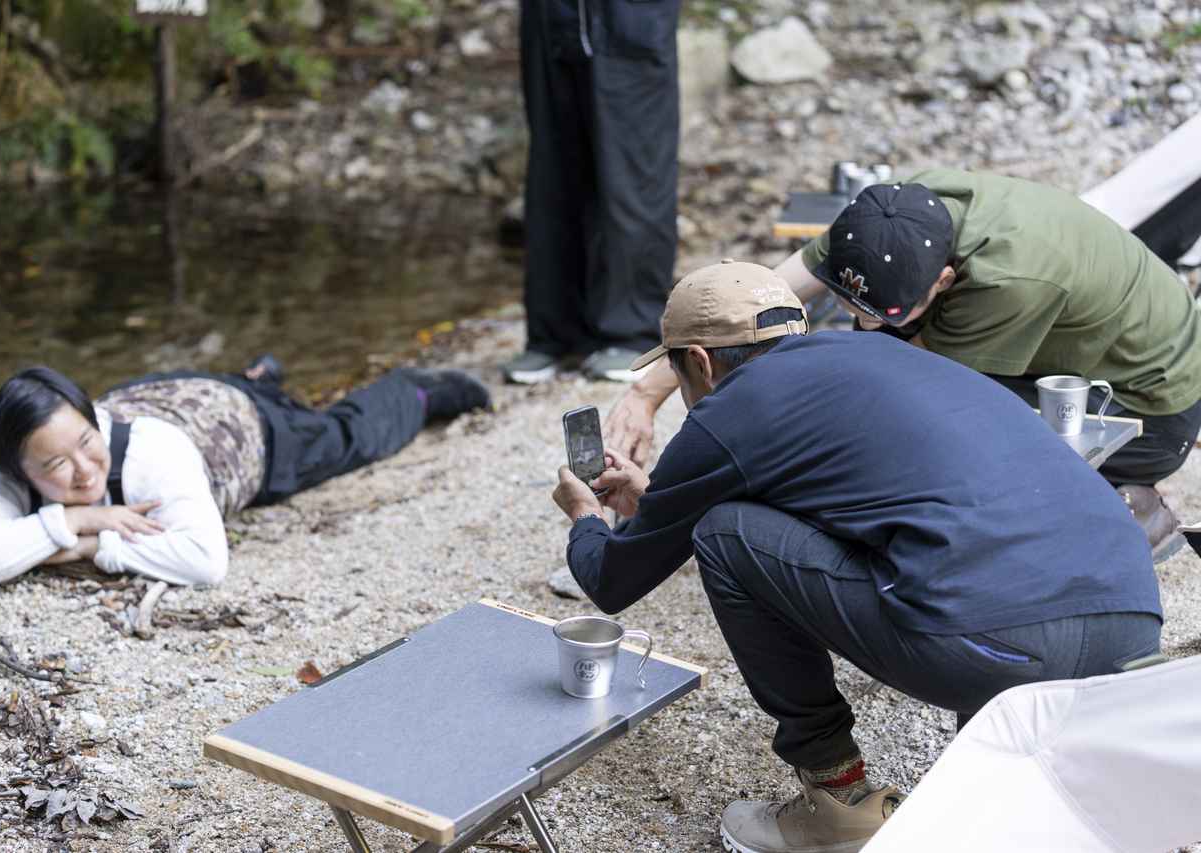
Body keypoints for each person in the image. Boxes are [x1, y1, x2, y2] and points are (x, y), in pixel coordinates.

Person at [553, 260, 1162, 853]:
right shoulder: (887, 358)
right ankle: (1024, 789)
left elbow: (609, 579)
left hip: (996, 651)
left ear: (701, 364)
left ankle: (838, 802)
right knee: (971, 554)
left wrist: (586, 515)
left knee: (722, 532)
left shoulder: (727, 413)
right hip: (1131, 623)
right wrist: (658, 501)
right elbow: (846, 499)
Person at [607, 169, 1201, 562]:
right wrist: (649, 390)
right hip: (1067, 341)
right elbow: (758, 296)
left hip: (1147, 410)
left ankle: (1119, 499)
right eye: (855, 302)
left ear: (943, 279)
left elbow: (891, 391)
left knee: (891, 427)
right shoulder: (891, 218)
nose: (866, 322)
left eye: (885, 313)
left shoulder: (1010, 282)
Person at [0, 360, 490, 589]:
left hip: (243, 431)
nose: (84, 471)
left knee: (345, 438)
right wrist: (75, 519)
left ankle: (417, 390)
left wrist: (92, 543)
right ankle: (257, 373)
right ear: (18, 467)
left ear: (92, 419)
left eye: (87, 442)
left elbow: (206, 562)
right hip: (176, 393)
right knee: (248, 385)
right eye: (58, 465)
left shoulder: (153, 453)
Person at [502, 0, 680, 384]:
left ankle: (632, 332)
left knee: (634, 176)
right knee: (552, 174)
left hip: (632, 19)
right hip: (550, 18)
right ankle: (555, 334)